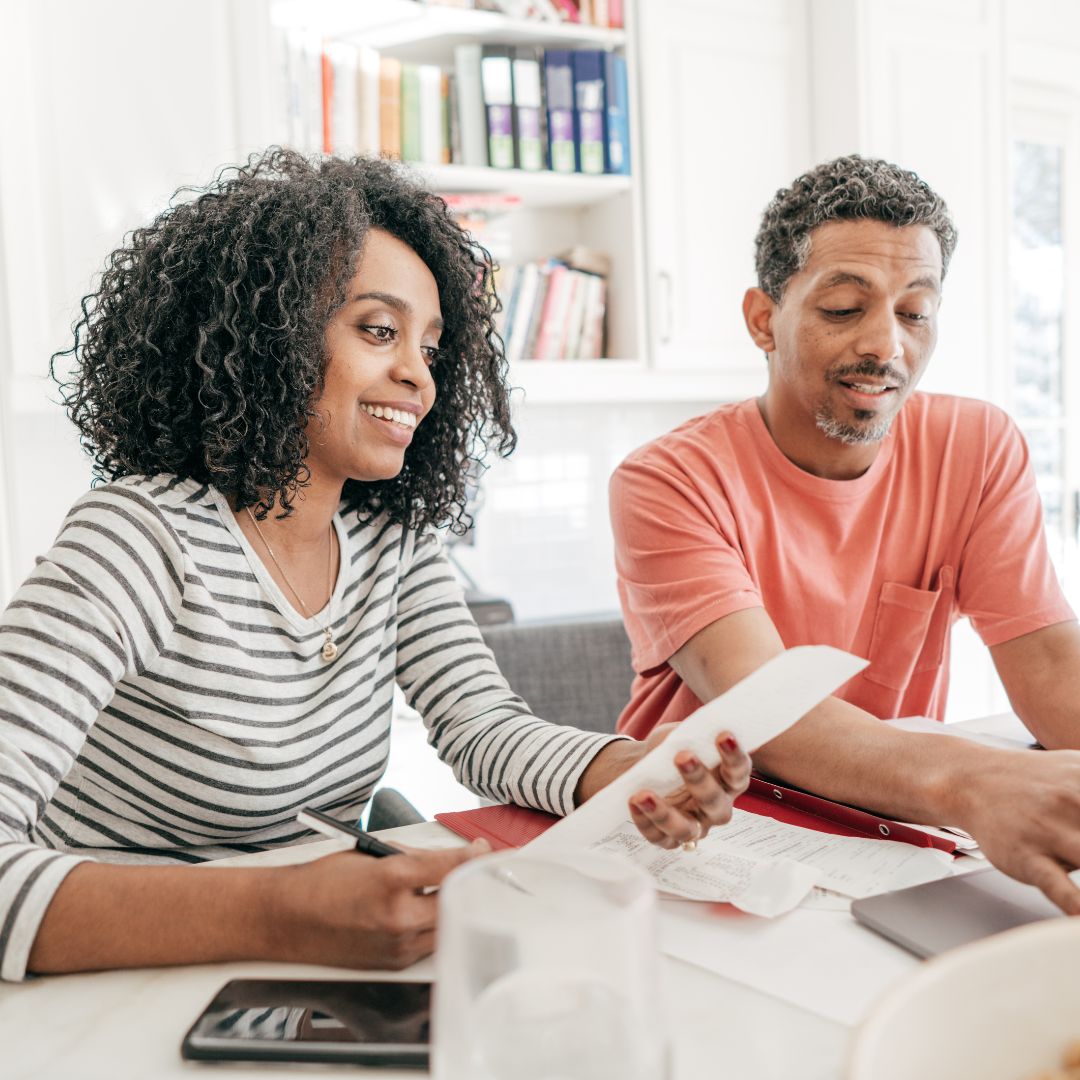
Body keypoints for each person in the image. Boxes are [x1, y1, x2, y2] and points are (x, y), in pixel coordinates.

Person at [0, 148, 750, 983]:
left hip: (282, 976)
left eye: (429, 348)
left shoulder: (391, 540)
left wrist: (630, 771)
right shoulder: (139, 539)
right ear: (266, 335)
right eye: (378, 329)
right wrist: (278, 911)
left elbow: (481, 728)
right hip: (104, 983)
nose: (416, 378)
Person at [610, 154, 1080, 913]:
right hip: (701, 838)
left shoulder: (978, 445)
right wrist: (977, 781)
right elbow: (769, 715)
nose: (886, 346)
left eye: (915, 312)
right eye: (843, 309)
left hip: (881, 833)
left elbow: (1051, 667)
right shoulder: (666, 479)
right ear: (764, 319)